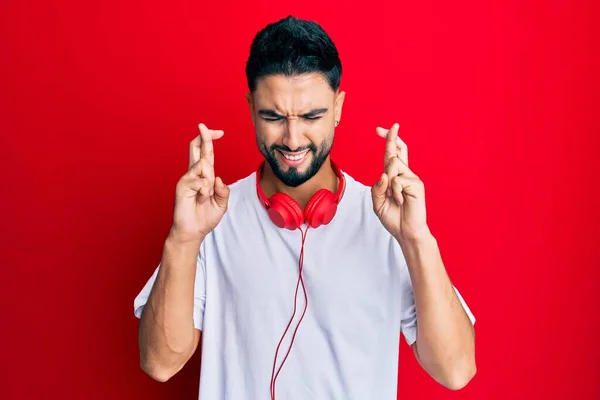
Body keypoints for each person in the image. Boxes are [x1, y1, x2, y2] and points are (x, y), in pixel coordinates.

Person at [133, 15, 476, 400]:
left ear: (338, 107)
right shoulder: (208, 219)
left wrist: (416, 239)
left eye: (312, 116)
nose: (293, 139)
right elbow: (160, 364)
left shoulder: (389, 224)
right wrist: (183, 239)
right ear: (251, 108)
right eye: (273, 117)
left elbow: (456, 370)